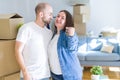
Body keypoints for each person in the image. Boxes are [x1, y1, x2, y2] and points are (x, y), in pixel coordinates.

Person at [15, 2, 53, 80]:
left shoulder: (49, 33)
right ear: (41, 14)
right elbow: (17, 51)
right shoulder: (26, 28)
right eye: (50, 14)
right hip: (30, 76)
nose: (52, 17)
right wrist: (25, 73)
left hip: (45, 75)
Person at [48, 10, 83, 80]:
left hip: (68, 75)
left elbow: (73, 49)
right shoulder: (53, 35)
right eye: (58, 16)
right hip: (55, 75)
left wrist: (71, 36)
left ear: (67, 22)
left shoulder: (68, 35)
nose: (58, 19)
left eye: (62, 18)